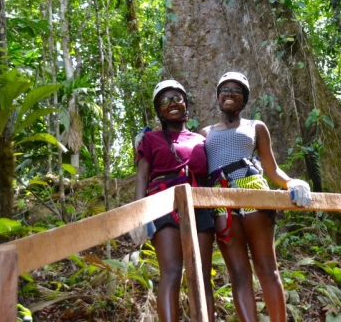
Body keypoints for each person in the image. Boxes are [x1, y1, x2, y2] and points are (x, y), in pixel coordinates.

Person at [201, 72, 312, 322]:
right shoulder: (205, 133)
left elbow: (271, 168)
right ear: (218, 96)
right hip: (221, 201)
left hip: (253, 191)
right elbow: (187, 155)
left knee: (266, 268)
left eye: (237, 91)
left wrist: (291, 182)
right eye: (225, 90)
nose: (230, 94)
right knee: (239, 273)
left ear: (244, 99)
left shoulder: (255, 126)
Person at [130, 79, 216, 322]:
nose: (172, 104)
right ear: (159, 110)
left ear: (186, 104)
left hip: (198, 204)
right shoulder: (150, 139)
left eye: (177, 98)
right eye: (165, 101)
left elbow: (210, 175)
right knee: (171, 272)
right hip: (163, 204)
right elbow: (142, 178)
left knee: (201, 275)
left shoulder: (201, 140)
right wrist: (139, 215)